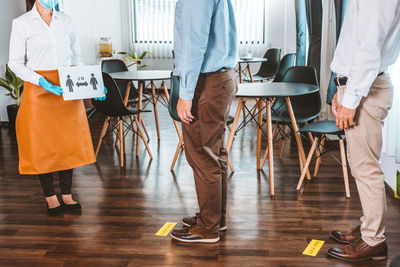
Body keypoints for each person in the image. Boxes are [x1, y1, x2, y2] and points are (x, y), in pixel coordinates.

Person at [9, 0, 105, 216]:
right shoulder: (22, 23)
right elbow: (14, 63)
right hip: (38, 89)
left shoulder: (67, 21)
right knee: (44, 143)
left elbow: (76, 58)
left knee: (66, 141)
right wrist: (40, 80)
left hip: (66, 88)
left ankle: (67, 194)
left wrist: (93, 84)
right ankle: (50, 196)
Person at [327, 0, 400, 261]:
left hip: (366, 89)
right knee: (361, 164)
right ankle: (369, 226)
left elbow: (369, 51)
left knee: (365, 167)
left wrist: (351, 99)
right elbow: (353, 43)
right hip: (357, 85)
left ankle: (373, 240)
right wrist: (340, 88)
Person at [169, 0, 238, 243]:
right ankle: (216, 218)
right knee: (216, 153)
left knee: (202, 155)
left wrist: (185, 95)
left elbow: (193, 44)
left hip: (205, 82)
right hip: (220, 78)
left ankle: (208, 228)